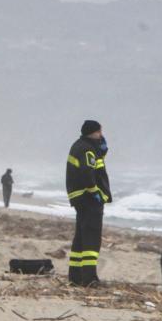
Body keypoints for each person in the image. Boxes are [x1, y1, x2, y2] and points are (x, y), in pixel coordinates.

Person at [66, 120, 112, 287]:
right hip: (88, 199)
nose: (102, 135)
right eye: (100, 132)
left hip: (80, 198)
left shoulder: (80, 146)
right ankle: (90, 278)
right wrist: (96, 192)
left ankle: (75, 276)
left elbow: (92, 166)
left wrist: (102, 152)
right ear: (93, 132)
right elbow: (88, 173)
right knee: (91, 239)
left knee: (80, 237)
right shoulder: (87, 149)